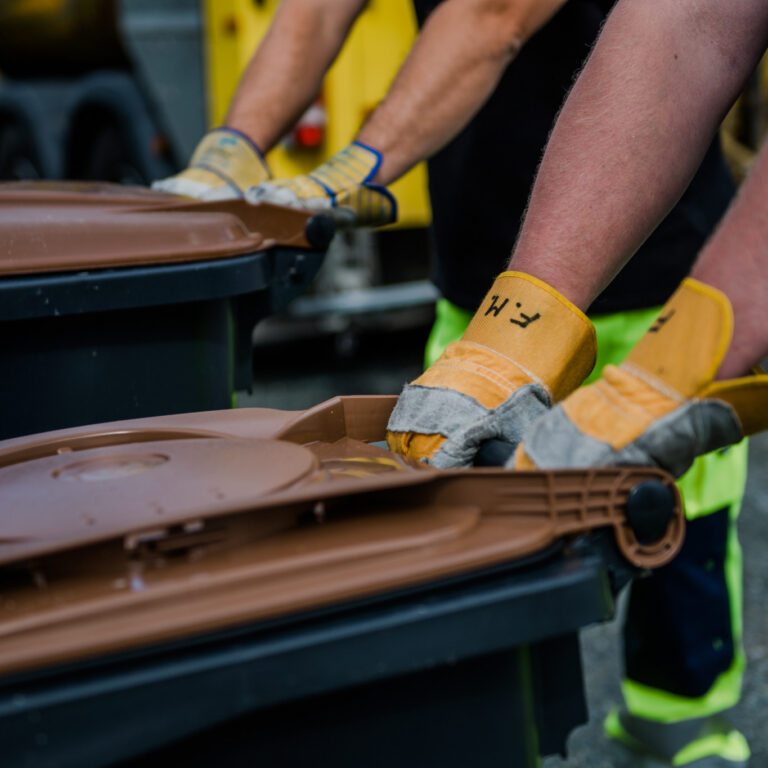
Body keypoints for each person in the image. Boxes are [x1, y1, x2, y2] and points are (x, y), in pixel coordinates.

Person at [155, 1, 754, 764]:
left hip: (655, 276)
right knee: (472, 525)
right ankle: (504, 731)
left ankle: (681, 734)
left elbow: (493, 12)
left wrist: (359, 164)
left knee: (673, 521)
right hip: (487, 285)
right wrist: (232, 149)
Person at [388, 2, 768, 765]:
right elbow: (689, 23)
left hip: (670, 274)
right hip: (489, 266)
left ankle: (685, 726)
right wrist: (517, 331)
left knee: (687, 536)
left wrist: (680, 364)